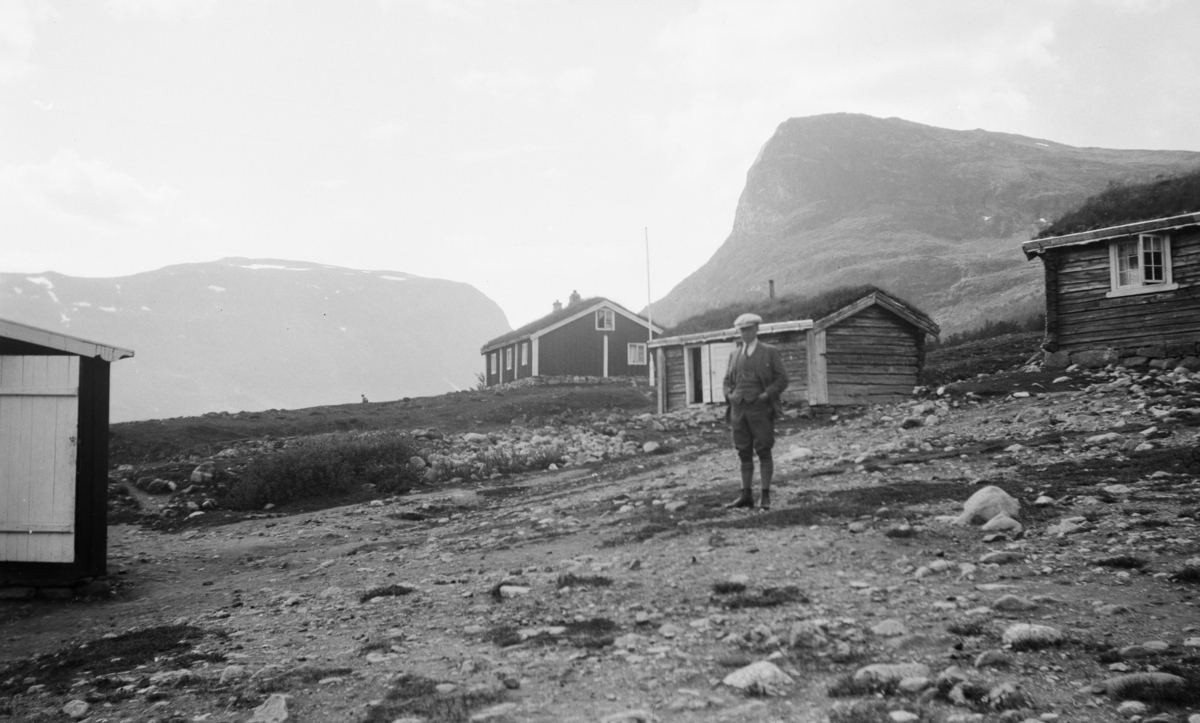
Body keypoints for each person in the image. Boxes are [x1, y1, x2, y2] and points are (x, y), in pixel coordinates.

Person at [723, 313, 788, 510]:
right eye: (742, 330)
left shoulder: (769, 352)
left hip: (761, 410)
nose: (745, 333)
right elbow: (727, 381)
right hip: (738, 411)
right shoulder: (734, 355)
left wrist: (765, 396)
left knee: (764, 451)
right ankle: (746, 496)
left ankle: (765, 496)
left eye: (748, 329)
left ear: (757, 329)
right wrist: (729, 395)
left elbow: (782, 380)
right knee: (743, 452)